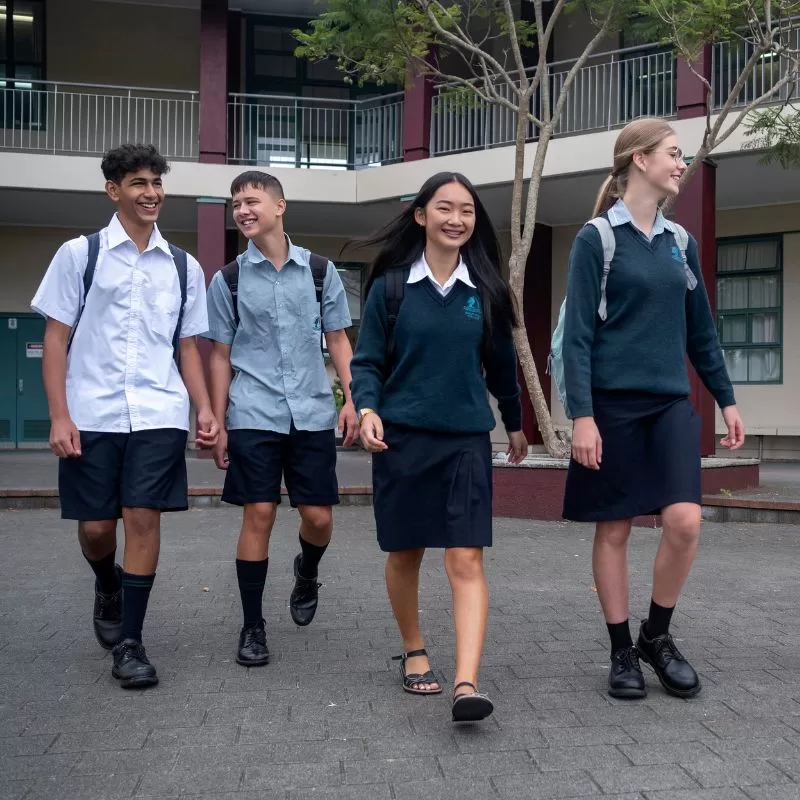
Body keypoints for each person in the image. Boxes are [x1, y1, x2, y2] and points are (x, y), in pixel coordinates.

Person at [561, 117, 746, 700]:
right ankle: (621, 651)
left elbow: (702, 334)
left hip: (669, 404)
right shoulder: (597, 239)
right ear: (639, 160)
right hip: (612, 407)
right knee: (613, 527)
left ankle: (655, 636)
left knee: (684, 521)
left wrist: (726, 398)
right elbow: (578, 341)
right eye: (672, 153)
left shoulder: (680, 242)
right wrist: (582, 415)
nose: (679, 163)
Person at [32, 143, 219, 689]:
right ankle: (106, 582)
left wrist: (205, 408)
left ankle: (132, 641)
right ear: (113, 190)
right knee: (95, 529)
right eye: (139, 183)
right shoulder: (79, 255)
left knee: (142, 518)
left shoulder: (184, 266)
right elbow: (56, 339)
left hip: (158, 412)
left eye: (157, 183)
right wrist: (59, 416)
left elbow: (188, 347)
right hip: (91, 412)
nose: (152, 193)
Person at [349, 171, 528, 722]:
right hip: (402, 440)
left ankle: (467, 683)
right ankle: (414, 650)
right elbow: (368, 361)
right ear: (422, 216)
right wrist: (368, 407)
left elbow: (502, 367)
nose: (457, 219)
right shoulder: (393, 288)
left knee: (466, 556)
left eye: (467, 211)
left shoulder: (487, 291)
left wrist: (516, 424)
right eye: (445, 208)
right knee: (406, 553)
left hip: (466, 442)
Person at [205, 170, 358, 668]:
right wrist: (218, 418)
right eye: (235, 205)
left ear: (279, 205)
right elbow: (221, 353)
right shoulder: (227, 279)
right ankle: (252, 627)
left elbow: (338, 340)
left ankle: (307, 570)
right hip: (253, 411)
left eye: (250, 201)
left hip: (312, 412)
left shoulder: (319, 271)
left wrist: (353, 400)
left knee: (318, 518)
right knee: (261, 513)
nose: (242, 211)